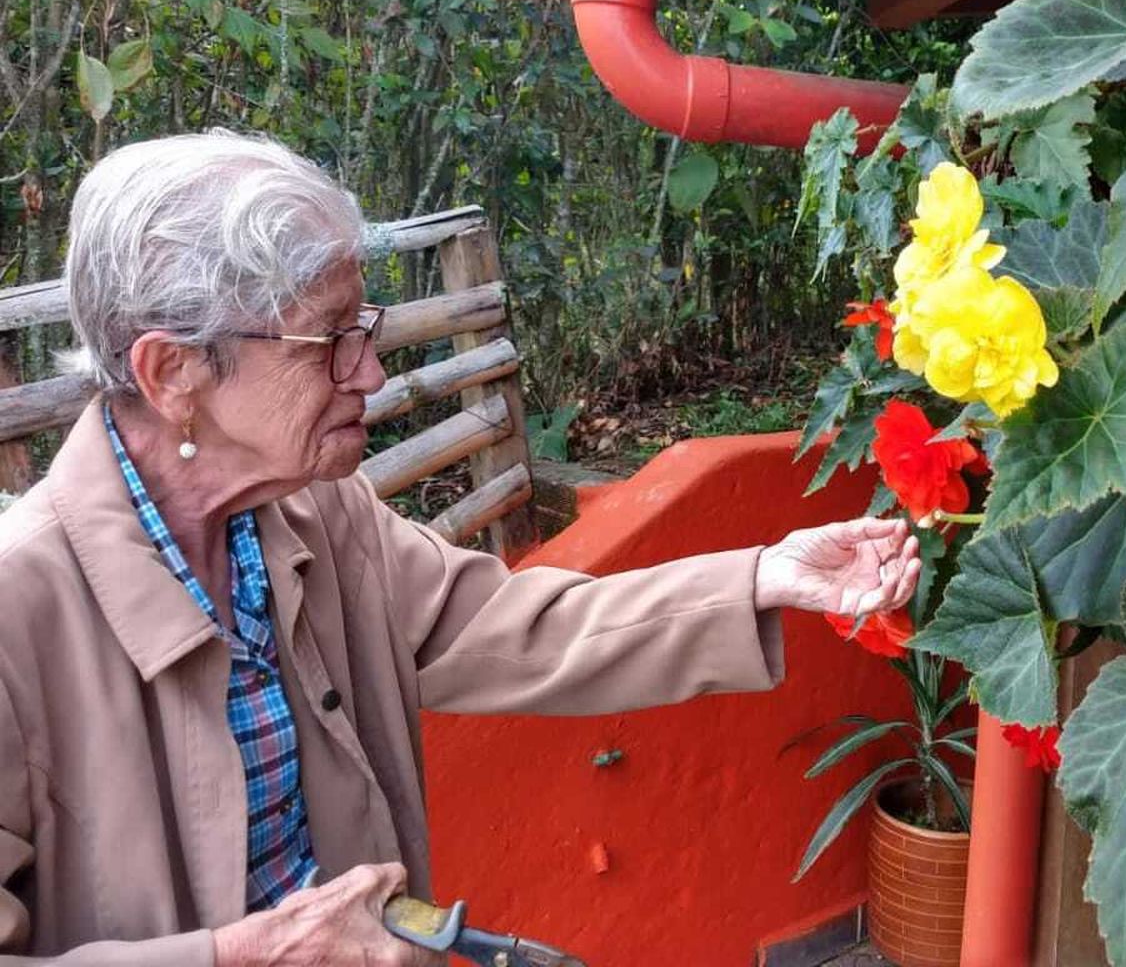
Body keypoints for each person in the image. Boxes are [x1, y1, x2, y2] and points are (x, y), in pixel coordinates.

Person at [0, 132, 921, 966]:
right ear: (174, 373)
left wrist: (762, 577)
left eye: (366, 331)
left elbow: (514, 625)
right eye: (329, 342)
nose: (370, 372)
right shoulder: (18, 609)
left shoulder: (316, 514)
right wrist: (241, 956)